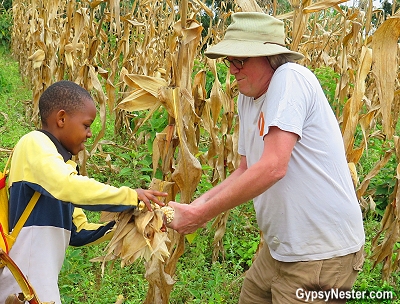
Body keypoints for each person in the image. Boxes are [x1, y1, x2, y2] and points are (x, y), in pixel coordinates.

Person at [168, 12, 365, 303]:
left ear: (270, 57)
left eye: (241, 60)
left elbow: (273, 167)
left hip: (321, 255)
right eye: (229, 60)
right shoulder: (247, 97)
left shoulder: (290, 79)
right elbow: (245, 169)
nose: (232, 69)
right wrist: (194, 208)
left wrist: (200, 216)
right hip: (279, 250)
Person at [0, 80, 167, 303]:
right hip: (24, 282)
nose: (90, 134)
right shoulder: (34, 143)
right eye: (87, 125)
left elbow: (78, 231)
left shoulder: (63, 167)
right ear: (61, 119)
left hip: (38, 283)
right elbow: (67, 186)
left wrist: (128, 225)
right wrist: (130, 196)